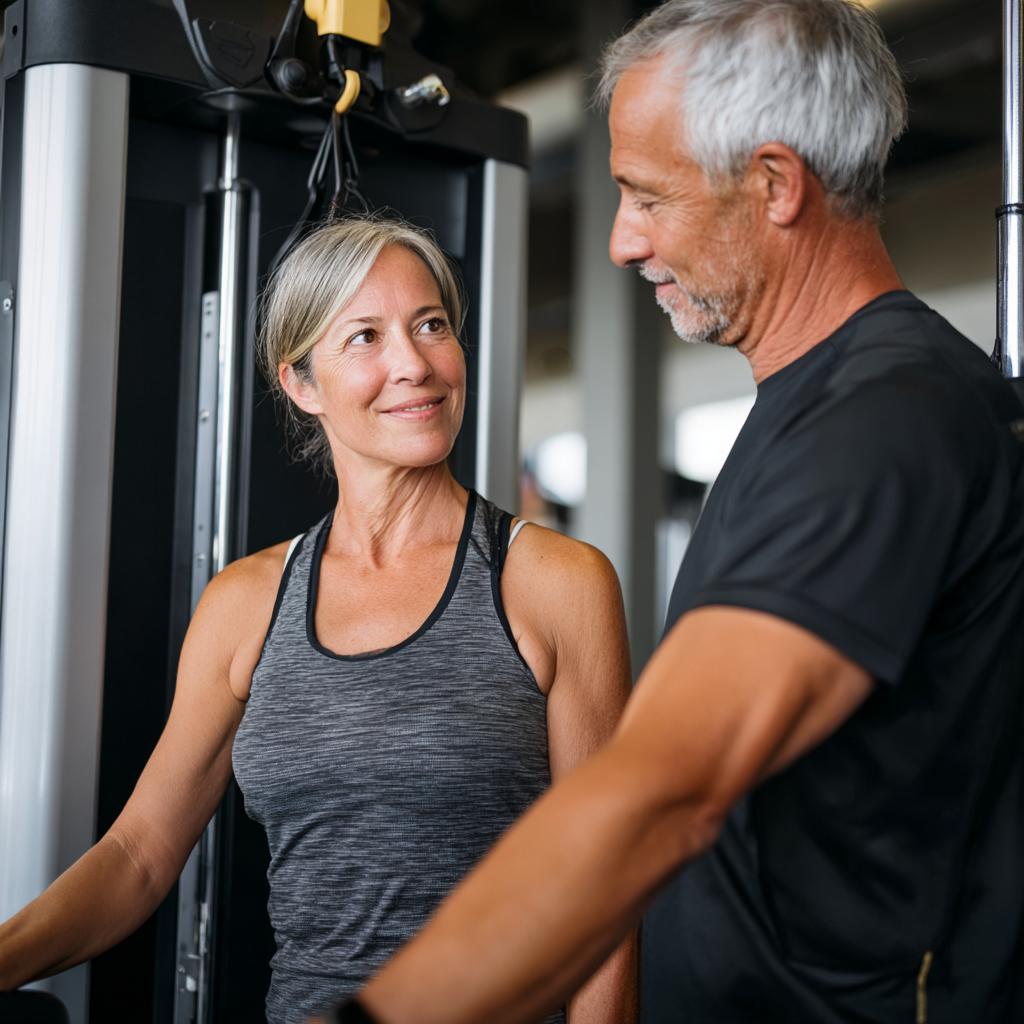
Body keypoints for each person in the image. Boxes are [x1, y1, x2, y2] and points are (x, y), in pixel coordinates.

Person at [320, 3, 1024, 1023]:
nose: (619, 240)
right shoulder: (821, 405)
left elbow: (666, 784)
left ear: (776, 185)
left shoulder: (884, 422)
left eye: (646, 196)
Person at [0, 218, 638, 1024]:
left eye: (431, 325)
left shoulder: (554, 583)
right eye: (365, 337)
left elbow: (608, 880)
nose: (414, 364)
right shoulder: (246, 603)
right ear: (302, 384)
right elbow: (137, 855)